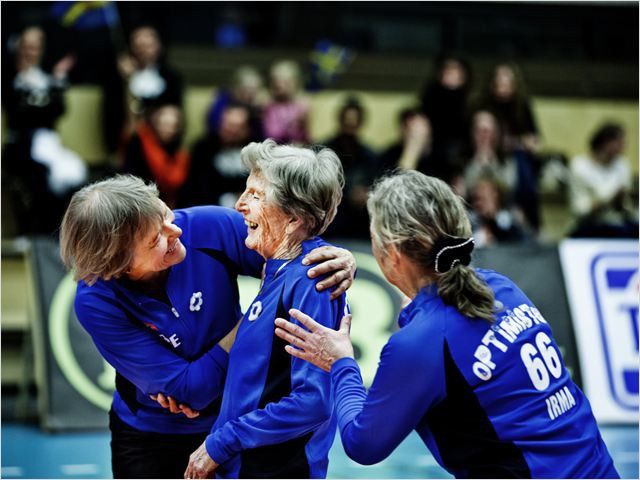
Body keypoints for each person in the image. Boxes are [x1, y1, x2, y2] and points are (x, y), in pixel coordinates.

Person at [274, 170, 619, 479]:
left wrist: (341, 364)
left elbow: (363, 445)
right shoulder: (500, 287)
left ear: (390, 252)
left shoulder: (423, 343)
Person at [59, 174, 356, 479]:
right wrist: (253, 325)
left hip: (233, 421)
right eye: (155, 239)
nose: (175, 231)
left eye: (165, 215)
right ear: (118, 265)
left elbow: (293, 254)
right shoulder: (95, 299)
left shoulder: (208, 226)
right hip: (149, 435)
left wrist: (339, 257)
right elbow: (191, 391)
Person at [184, 140, 347, 479]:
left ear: (293, 219)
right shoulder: (279, 270)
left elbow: (313, 401)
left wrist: (222, 443)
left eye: (256, 196)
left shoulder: (310, 281)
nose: (240, 205)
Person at [2, 25, 87, 235]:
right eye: (27, 46)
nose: (31, 52)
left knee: (76, 173)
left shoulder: (47, 79)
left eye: (36, 47)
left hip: (49, 143)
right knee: (40, 177)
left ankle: (66, 232)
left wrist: (56, 82)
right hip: (21, 145)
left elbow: (57, 112)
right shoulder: (10, 79)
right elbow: (19, 114)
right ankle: (40, 233)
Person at [569, 122, 638, 238]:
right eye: (620, 142)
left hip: (618, 223)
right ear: (606, 142)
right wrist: (608, 201)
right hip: (590, 225)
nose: (623, 147)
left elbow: (626, 207)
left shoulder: (622, 165)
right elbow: (579, 209)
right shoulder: (580, 166)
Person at [324, 97, 379, 239]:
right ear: (340, 121)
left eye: (353, 125)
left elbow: (378, 187)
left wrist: (368, 194)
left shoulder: (370, 156)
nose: (349, 130)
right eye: (346, 124)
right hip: (330, 224)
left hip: (360, 226)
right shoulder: (323, 153)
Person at [180, 103, 253, 209]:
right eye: (229, 125)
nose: (232, 131)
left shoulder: (256, 150)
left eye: (238, 127)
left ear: (247, 129)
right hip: (211, 209)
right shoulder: (203, 147)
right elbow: (197, 187)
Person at [121, 103, 190, 209]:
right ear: (156, 123)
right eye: (163, 124)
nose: (167, 129)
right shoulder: (140, 143)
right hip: (142, 203)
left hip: (172, 206)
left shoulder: (180, 154)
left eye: (172, 126)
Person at [262, 60, 310, 144]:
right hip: (273, 150)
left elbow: (308, 136)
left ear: (295, 82)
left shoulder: (303, 105)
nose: (279, 84)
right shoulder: (268, 105)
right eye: (276, 80)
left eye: (285, 81)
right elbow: (272, 134)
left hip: (300, 150)